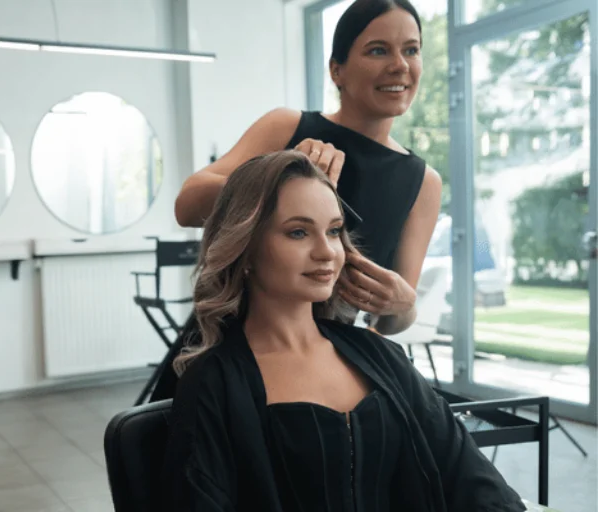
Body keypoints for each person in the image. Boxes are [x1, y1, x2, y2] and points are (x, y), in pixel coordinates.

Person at [162, 151, 525, 512]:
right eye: (298, 232)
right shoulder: (213, 383)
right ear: (246, 249)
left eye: (334, 231)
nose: (326, 252)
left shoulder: (380, 355)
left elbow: (472, 479)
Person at [149, 0, 442, 403]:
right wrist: (278, 175)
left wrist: (404, 304)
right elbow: (187, 206)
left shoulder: (423, 182)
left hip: (319, 375)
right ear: (337, 70)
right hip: (224, 357)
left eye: (411, 50)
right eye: (378, 50)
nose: (399, 65)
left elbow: (391, 319)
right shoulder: (288, 127)